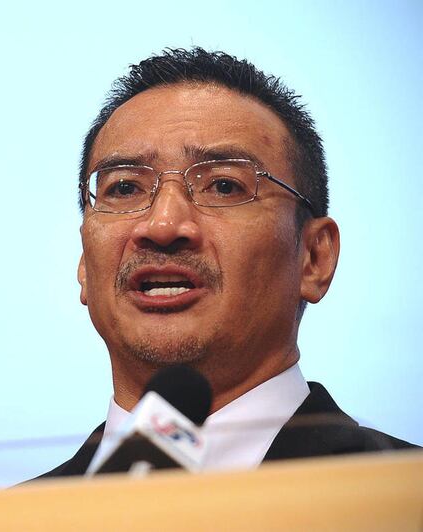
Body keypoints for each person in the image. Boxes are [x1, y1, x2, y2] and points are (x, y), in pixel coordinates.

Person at [38, 48, 415, 479]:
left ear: (314, 258)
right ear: (85, 265)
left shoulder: (404, 497)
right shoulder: (0, 520)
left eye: (223, 185)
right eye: (124, 188)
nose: (162, 225)